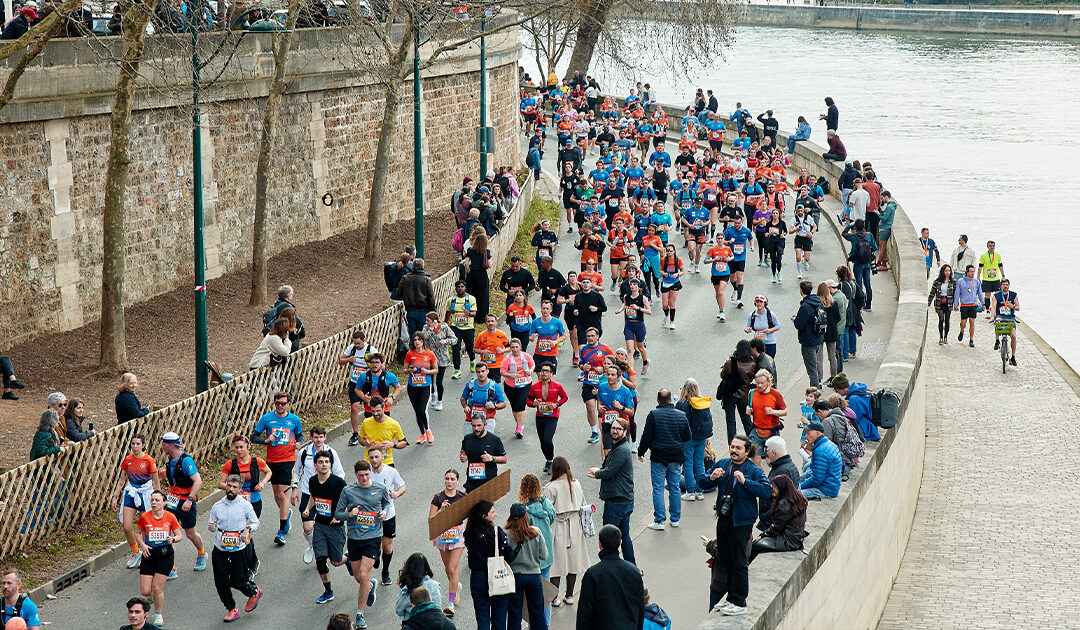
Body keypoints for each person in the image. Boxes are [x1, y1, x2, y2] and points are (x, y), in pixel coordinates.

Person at [698, 436, 772, 616]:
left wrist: (746, 482)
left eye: (738, 448)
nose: (734, 450)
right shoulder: (723, 463)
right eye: (732, 446)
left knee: (739, 562)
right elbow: (702, 481)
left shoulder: (752, 470)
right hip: (724, 519)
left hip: (742, 522)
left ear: (747, 452)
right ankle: (730, 599)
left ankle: (739, 601)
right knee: (725, 559)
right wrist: (711, 477)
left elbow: (767, 490)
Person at [336, 459, 391, 630]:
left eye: (367, 474)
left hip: (373, 537)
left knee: (364, 573)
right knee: (359, 577)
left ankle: (360, 615)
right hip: (354, 537)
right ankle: (371, 585)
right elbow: (338, 513)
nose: (365, 478)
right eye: (361, 475)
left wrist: (384, 512)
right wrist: (350, 514)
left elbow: (388, 503)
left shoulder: (380, 488)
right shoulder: (348, 491)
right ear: (355, 475)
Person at [250, 391, 304, 546]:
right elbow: (254, 436)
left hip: (288, 460)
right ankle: (286, 513)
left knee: (283, 494)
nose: (280, 406)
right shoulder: (267, 418)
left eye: (283, 403)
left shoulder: (294, 419)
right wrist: (266, 440)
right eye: (277, 403)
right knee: (276, 496)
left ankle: (281, 532)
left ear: (288, 404)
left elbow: (300, 435)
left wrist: (298, 443)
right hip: (272, 462)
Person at [207, 475, 263, 622]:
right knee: (220, 581)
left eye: (234, 487)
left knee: (237, 580)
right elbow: (212, 526)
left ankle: (254, 591)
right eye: (229, 486)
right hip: (220, 548)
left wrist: (247, 529)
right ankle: (231, 609)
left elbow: (256, 522)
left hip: (238, 548)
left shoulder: (245, 505)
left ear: (239, 489)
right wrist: (212, 527)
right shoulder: (217, 506)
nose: (231, 489)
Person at [637, 389, 690, 531]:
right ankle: (675, 519)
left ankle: (660, 520)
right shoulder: (681, 415)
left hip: (658, 457)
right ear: (671, 400)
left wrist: (641, 452)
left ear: (658, 400)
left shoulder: (653, 415)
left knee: (658, 488)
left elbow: (646, 436)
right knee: (674, 487)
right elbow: (687, 436)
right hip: (676, 457)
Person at [575, 524, 645, 629]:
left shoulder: (593, 574)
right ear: (620, 543)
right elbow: (640, 609)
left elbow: (585, 613)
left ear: (600, 544)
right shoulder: (634, 572)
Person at [301, 449, 348, 604]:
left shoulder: (338, 483)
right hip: (320, 524)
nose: (324, 465)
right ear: (315, 465)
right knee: (320, 560)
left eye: (327, 462)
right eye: (320, 462)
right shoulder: (313, 481)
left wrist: (339, 515)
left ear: (330, 464)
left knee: (335, 561)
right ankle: (328, 591)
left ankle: (347, 558)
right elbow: (314, 497)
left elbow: (350, 501)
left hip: (335, 527)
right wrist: (308, 508)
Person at [587, 418, 635, 564]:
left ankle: (612, 567)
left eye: (618, 429)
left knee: (609, 537)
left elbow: (610, 471)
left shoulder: (621, 450)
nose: (614, 431)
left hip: (617, 501)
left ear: (625, 432)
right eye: (613, 428)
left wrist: (597, 473)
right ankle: (631, 567)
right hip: (623, 499)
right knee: (623, 536)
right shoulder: (619, 447)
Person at [158, 431, 207, 574]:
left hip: (185, 500)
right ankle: (170, 567)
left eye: (164, 444)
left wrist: (189, 500)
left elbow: (198, 481)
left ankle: (202, 553)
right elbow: (173, 470)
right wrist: (164, 472)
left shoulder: (186, 460)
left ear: (172, 445)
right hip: (172, 499)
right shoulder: (170, 458)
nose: (162, 446)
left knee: (190, 533)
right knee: (167, 532)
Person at [463, 501, 515, 630]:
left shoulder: (469, 533)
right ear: (484, 516)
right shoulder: (497, 532)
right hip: (496, 575)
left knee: (482, 615)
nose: (495, 515)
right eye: (492, 512)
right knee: (499, 616)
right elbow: (509, 556)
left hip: (477, 577)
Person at [111, 434, 160, 569]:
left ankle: (147, 554)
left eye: (138, 444)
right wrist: (115, 496)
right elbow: (122, 479)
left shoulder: (149, 460)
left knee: (145, 526)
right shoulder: (128, 460)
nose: (135, 447)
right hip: (131, 492)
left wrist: (158, 496)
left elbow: (155, 480)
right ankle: (135, 551)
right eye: (133, 444)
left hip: (145, 492)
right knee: (127, 527)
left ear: (143, 445)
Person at [135, 491, 181, 627]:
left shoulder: (170, 517)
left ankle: (158, 614)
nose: (154, 503)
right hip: (149, 556)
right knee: (145, 591)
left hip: (165, 555)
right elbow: (137, 533)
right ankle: (153, 598)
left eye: (157, 500)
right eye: (152, 500)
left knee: (157, 588)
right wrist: (142, 545)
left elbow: (179, 535)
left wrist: (172, 539)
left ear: (164, 503)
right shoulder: (144, 517)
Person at [505, 503, 549, 630]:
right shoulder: (535, 532)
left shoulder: (507, 533)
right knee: (537, 612)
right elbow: (544, 555)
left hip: (515, 576)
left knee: (514, 612)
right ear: (526, 516)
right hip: (534, 576)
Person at [429, 470, 466, 617]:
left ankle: (450, 603)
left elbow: (472, 513)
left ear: (457, 481)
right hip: (443, 534)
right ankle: (456, 586)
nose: (449, 481)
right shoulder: (438, 498)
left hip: (457, 534)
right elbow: (431, 519)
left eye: (452, 479)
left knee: (452, 568)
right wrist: (441, 511)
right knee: (447, 568)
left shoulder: (462, 497)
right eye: (447, 479)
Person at [749, 475, 807, 563]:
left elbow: (776, 528)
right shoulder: (797, 498)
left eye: (774, 487)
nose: (772, 489)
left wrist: (763, 534)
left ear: (782, 488)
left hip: (788, 541)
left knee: (754, 545)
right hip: (796, 538)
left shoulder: (783, 504)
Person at [526, 362, 568, 472]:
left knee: (547, 439)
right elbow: (528, 401)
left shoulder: (557, 386)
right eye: (542, 370)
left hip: (552, 416)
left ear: (551, 374)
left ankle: (550, 461)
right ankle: (548, 460)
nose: (544, 373)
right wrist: (533, 403)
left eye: (547, 371)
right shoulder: (534, 387)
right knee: (542, 441)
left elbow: (564, 397)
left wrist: (556, 404)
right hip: (540, 416)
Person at [676, 378, 712, 502]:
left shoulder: (682, 403)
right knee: (700, 464)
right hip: (701, 438)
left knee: (688, 465)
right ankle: (699, 491)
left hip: (688, 439)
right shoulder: (702, 402)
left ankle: (690, 492)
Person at [354, 353, 403, 444]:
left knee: (383, 428)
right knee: (371, 429)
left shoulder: (389, 376)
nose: (374, 365)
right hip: (369, 409)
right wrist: (364, 398)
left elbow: (398, 387)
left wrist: (392, 398)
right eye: (372, 362)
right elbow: (357, 389)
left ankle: (384, 446)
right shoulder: (364, 376)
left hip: (384, 408)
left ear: (381, 364)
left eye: (377, 362)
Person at [340, 329, 377, 441]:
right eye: (355, 343)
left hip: (368, 382)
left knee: (370, 407)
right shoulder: (351, 349)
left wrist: (370, 364)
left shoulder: (371, 350)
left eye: (359, 343)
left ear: (364, 340)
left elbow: (381, 365)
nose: (357, 346)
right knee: (354, 407)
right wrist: (348, 359)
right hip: (355, 381)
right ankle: (355, 433)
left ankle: (371, 431)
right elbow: (340, 361)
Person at [404, 333, 439, 444]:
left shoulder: (430, 354)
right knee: (417, 411)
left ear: (423, 341)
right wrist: (410, 370)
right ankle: (422, 434)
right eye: (415, 340)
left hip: (425, 386)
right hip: (413, 386)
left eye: (419, 340)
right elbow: (404, 370)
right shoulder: (410, 354)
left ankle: (428, 430)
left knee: (421, 409)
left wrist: (427, 372)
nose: (417, 342)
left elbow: (436, 370)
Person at [718, 340, 756, 442]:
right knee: (746, 420)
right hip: (743, 395)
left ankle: (732, 443)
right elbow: (752, 378)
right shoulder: (752, 364)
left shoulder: (730, 362)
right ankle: (751, 442)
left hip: (729, 395)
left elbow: (722, 376)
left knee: (730, 421)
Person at [596, 364, 637, 459]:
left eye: (613, 375)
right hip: (607, 423)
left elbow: (631, 412)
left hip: (621, 425)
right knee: (607, 453)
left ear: (619, 377)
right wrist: (599, 407)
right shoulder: (602, 387)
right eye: (608, 374)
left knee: (621, 453)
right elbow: (599, 401)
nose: (610, 377)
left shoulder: (625, 391)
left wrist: (621, 407)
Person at [357, 396, 408, 467]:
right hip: (370, 462)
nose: (375, 414)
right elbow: (360, 439)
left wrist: (393, 445)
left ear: (384, 409)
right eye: (373, 411)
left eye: (378, 411)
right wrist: (365, 442)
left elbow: (404, 443)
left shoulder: (393, 424)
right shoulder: (366, 422)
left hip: (387, 462)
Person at [793, 280, 825, 388]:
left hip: (808, 340)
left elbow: (799, 325)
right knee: (815, 364)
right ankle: (817, 386)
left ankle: (814, 394)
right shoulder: (818, 302)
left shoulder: (805, 306)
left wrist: (795, 320)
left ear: (801, 291)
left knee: (811, 369)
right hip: (818, 338)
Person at [798, 422, 843, 499]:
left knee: (793, 496)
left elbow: (816, 479)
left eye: (808, 433)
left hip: (825, 490)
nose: (806, 436)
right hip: (830, 485)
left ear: (818, 433)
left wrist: (799, 487)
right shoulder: (827, 443)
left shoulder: (820, 451)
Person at [421, 312, 455, 412]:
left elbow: (454, 339)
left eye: (428, 320)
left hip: (441, 358)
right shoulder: (426, 328)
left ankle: (440, 401)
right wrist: (432, 329)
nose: (426, 322)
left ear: (434, 320)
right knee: (430, 379)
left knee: (439, 381)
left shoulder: (444, 327)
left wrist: (446, 341)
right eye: (426, 320)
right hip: (430, 358)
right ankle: (433, 394)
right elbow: (423, 338)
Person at [747, 370, 787, 453]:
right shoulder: (752, 393)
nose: (759, 385)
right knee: (755, 458)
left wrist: (773, 412)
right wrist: (748, 409)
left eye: (762, 383)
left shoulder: (776, 394)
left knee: (771, 459)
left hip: (771, 432)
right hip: (756, 432)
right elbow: (749, 406)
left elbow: (784, 412)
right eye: (757, 383)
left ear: (768, 382)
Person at [394, 553, 442, 620]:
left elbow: (399, 611)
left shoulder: (407, 589)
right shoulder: (434, 585)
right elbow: (438, 608)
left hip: (413, 623)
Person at [446, 282, 477, 380]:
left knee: (469, 347)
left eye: (462, 286)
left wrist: (469, 314)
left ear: (465, 288)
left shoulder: (471, 299)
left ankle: (472, 360)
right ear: (455, 288)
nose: (460, 288)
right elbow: (448, 312)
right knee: (455, 347)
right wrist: (445, 323)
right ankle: (457, 369)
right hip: (455, 327)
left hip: (468, 327)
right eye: (458, 287)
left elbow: (474, 313)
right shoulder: (451, 300)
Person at [464, 231, 493, 324]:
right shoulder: (486, 252)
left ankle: (472, 314)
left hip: (472, 275)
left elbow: (466, 263)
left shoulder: (470, 250)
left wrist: (469, 271)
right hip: (482, 275)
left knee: (472, 295)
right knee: (483, 296)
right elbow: (489, 265)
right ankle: (481, 317)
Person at [991, 278, 1019, 365]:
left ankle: (1013, 357)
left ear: (1009, 286)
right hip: (1000, 316)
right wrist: (992, 317)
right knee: (997, 321)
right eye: (1004, 285)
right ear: (1001, 286)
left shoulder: (1013, 295)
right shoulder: (996, 296)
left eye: (1007, 285)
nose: (1005, 286)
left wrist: (1013, 307)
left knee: (1013, 336)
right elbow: (993, 307)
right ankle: (997, 340)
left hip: (1010, 317)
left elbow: (1018, 307)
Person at [475, 314, 511, 384]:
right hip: (484, 366)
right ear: (486, 323)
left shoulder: (501, 334)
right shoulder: (481, 335)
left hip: (497, 365)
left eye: (492, 321)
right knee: (484, 385)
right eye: (488, 321)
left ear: (496, 322)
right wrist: (482, 351)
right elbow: (474, 349)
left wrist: (502, 350)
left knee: (494, 385)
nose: (490, 323)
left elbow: (509, 348)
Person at [953, 264, 982, 348]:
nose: (972, 273)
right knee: (963, 322)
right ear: (967, 272)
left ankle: (971, 339)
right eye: (971, 272)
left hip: (973, 304)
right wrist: (956, 304)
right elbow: (957, 293)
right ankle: (962, 331)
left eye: (973, 271)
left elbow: (979, 293)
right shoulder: (960, 281)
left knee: (972, 321)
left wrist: (983, 303)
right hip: (964, 304)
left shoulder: (976, 282)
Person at [818, 282, 842, 379]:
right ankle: (834, 377)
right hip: (832, 332)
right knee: (832, 357)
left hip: (820, 332)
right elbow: (838, 318)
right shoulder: (834, 303)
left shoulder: (819, 304)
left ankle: (819, 378)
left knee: (819, 358)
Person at [745, 295, 780, 359]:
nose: (759, 304)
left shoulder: (770, 314)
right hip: (757, 344)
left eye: (761, 302)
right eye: (757, 302)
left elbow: (778, 326)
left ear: (765, 303)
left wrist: (770, 330)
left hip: (769, 343)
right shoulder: (752, 315)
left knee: (768, 363)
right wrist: (748, 330)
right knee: (756, 363)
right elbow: (747, 327)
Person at [929, 264, 956, 344]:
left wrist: (956, 304)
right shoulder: (937, 282)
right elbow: (932, 293)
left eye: (949, 271)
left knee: (947, 319)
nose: (947, 272)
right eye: (946, 271)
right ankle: (941, 336)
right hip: (940, 302)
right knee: (941, 319)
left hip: (948, 302)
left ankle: (945, 337)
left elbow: (956, 293)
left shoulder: (953, 282)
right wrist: (929, 302)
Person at [978, 240, 1005, 316]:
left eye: (993, 246)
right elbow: (980, 267)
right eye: (990, 246)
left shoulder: (997, 255)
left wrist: (1003, 275)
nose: (992, 247)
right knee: (987, 295)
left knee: (997, 294)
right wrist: (978, 276)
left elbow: (1000, 266)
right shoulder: (983, 256)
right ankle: (987, 310)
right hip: (987, 278)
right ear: (987, 246)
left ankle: (996, 309)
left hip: (995, 278)